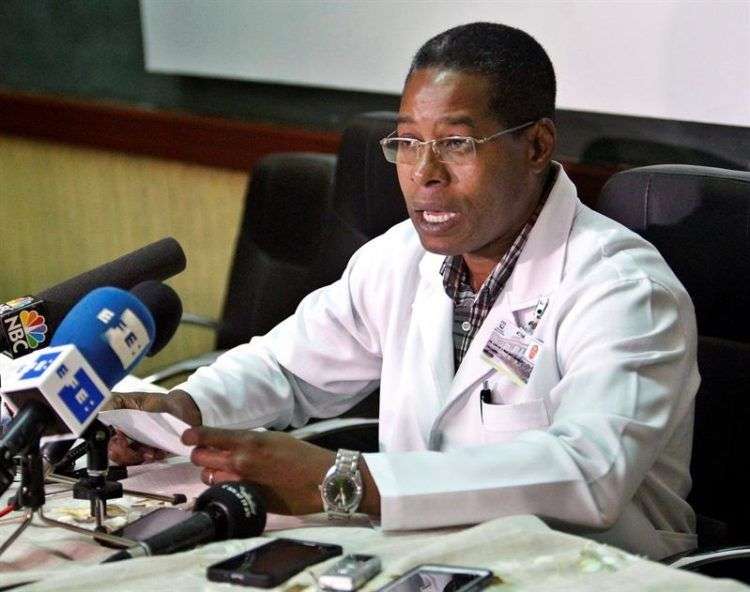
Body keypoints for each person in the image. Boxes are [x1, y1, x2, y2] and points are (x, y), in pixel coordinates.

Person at [109, 22, 699, 559]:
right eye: (408, 143)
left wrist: (348, 481)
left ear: (537, 146)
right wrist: (185, 409)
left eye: (456, 143)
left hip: (589, 570)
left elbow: (587, 471)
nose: (424, 174)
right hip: (424, 561)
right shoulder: (400, 258)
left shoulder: (624, 289)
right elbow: (286, 368)